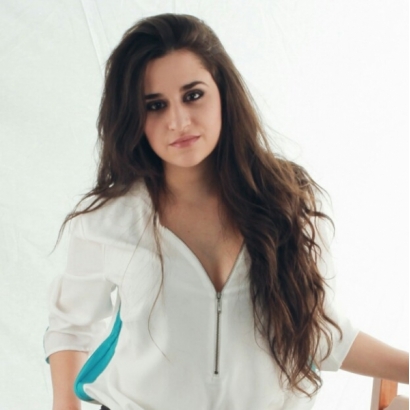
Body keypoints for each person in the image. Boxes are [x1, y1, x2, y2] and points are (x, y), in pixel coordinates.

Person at [44, 13, 408, 410]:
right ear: (134, 117)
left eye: (193, 95)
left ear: (223, 93)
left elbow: (317, 333)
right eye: (155, 105)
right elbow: (70, 325)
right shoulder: (108, 221)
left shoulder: (288, 203)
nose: (178, 121)